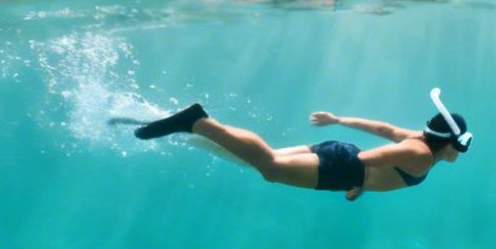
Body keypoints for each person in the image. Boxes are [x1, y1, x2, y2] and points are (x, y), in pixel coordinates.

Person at [133, 89, 471, 201]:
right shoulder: (420, 154)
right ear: (451, 143)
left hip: (341, 153)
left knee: (254, 162)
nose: (462, 152)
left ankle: (194, 131)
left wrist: (338, 120)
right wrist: (358, 181)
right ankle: (197, 122)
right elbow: (373, 156)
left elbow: (380, 127)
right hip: (344, 167)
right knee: (270, 168)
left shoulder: (417, 138)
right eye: (463, 145)